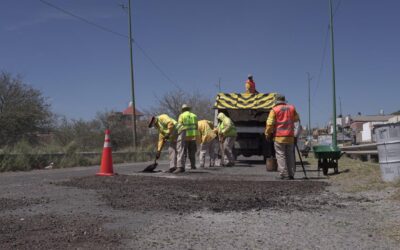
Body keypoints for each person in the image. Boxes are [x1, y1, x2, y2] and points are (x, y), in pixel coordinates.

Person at [265, 94, 300, 180]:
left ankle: (284, 174)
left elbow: (270, 124)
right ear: (284, 101)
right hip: (290, 137)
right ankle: (291, 174)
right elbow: (297, 121)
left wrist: (268, 134)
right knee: (290, 155)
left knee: (281, 155)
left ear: (276, 101)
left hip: (279, 137)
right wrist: (296, 135)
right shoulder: (292, 108)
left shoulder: (274, 110)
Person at [178, 104, 198, 170]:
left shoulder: (181, 115)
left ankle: (182, 166)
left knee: (183, 152)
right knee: (192, 152)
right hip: (193, 137)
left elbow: (179, 126)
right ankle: (193, 166)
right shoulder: (194, 116)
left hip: (185, 136)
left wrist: (178, 134)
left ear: (183, 110)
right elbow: (196, 126)